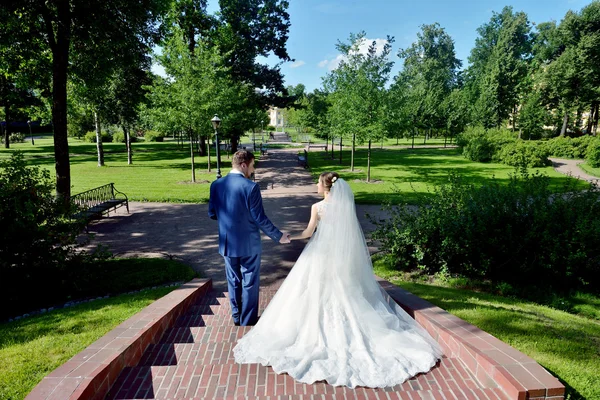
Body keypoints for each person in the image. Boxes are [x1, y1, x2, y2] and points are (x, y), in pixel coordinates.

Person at [233, 172, 443, 388]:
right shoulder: (344, 207)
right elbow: (348, 234)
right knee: (344, 292)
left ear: (325, 188)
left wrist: (287, 237)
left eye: (317, 182)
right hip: (341, 259)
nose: (315, 184)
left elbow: (307, 233)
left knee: (311, 291)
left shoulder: (318, 207)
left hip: (320, 256)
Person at [208, 150, 290, 326]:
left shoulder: (216, 185)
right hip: (249, 244)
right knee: (250, 282)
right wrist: (279, 236)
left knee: (233, 280)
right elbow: (259, 218)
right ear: (244, 164)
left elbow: (212, 214)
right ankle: (248, 320)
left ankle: (236, 317)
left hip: (227, 243)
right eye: (252, 166)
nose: (252, 170)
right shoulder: (250, 187)